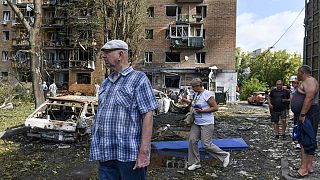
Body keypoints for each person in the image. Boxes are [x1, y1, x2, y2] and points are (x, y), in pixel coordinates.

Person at [90, 40, 158, 180]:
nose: (104, 56)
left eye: (108, 53)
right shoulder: (106, 83)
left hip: (129, 155)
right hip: (106, 153)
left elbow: (148, 115)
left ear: (121, 54)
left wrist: (144, 152)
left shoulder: (138, 79)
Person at [182, 78, 230, 171]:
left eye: (193, 87)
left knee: (206, 145)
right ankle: (195, 163)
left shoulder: (207, 94)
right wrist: (186, 101)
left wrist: (202, 111)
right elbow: (194, 104)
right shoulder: (196, 94)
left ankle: (224, 155)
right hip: (197, 122)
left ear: (198, 86)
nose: (192, 89)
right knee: (192, 141)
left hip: (207, 123)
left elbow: (215, 108)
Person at [289, 65, 319, 178]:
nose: (297, 74)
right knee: (309, 139)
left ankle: (303, 170)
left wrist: (302, 114)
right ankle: (309, 166)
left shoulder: (309, 81)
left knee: (304, 140)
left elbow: (310, 97)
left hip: (308, 113)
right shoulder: (309, 81)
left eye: (298, 72)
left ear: (302, 72)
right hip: (308, 113)